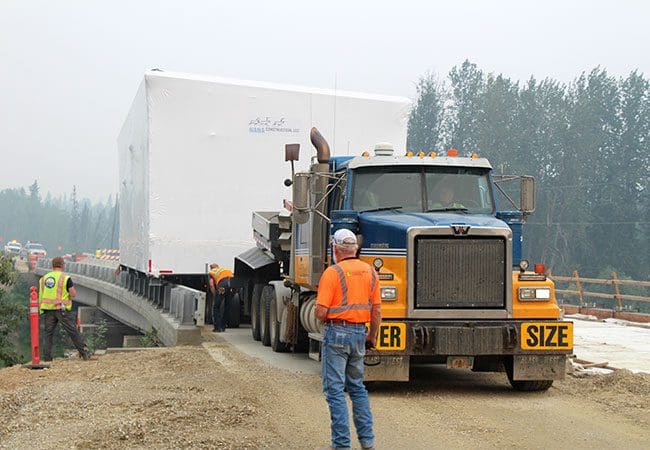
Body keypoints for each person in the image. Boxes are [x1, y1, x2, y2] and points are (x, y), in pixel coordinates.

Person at [315, 228, 381, 450]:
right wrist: (371, 336)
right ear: (355, 249)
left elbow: (321, 311)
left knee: (335, 390)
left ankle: (342, 445)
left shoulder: (332, 273)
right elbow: (377, 311)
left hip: (337, 333)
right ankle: (368, 441)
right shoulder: (371, 272)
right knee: (357, 388)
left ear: (335, 249)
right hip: (360, 334)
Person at [39, 256, 92, 361]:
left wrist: (41, 309)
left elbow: (41, 294)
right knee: (73, 331)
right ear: (62, 265)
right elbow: (73, 294)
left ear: (52, 265)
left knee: (48, 334)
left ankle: (47, 358)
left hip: (48, 310)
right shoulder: (65, 278)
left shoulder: (44, 278)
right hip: (61, 309)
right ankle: (84, 354)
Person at [208, 263, 234, 332]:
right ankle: (223, 326)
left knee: (216, 306)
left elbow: (211, 284)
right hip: (232, 286)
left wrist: (215, 295)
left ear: (211, 268)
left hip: (222, 287)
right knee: (227, 306)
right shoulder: (225, 270)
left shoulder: (211, 272)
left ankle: (217, 327)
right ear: (218, 266)